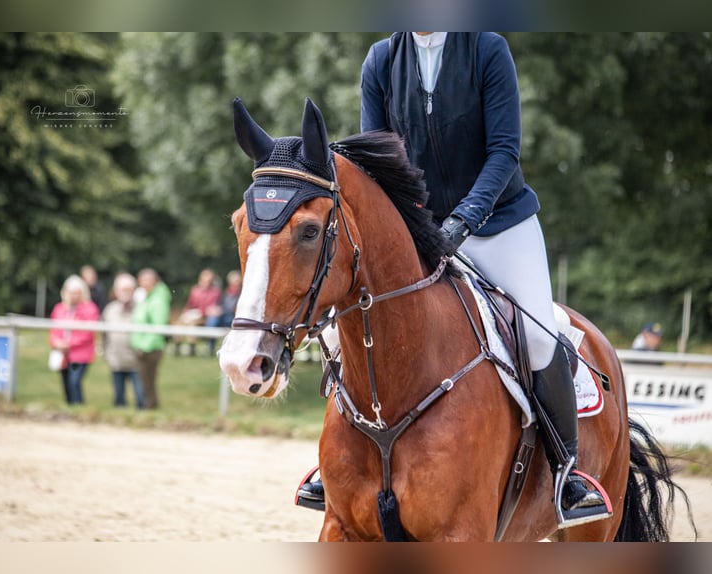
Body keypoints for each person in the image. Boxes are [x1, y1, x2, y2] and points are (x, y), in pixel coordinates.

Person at [297, 33, 607, 521]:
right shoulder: (381, 60)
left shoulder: (486, 49)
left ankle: (567, 473)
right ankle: (338, 465)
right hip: (419, 229)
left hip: (499, 223)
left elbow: (504, 152)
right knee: (344, 331)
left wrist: (463, 221)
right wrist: (412, 228)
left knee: (538, 335)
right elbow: (374, 162)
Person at [49, 274, 100, 405]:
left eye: (77, 293)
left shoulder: (89, 308)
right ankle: (70, 407)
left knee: (74, 382)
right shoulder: (59, 308)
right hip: (62, 353)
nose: (73, 296)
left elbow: (88, 332)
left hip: (80, 354)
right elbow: (54, 330)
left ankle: (78, 407)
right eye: (71, 292)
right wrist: (56, 342)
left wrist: (69, 343)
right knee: (66, 383)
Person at [102, 273, 145, 409]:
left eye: (129, 289)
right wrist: (106, 352)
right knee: (119, 396)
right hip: (116, 359)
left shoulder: (141, 309)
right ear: (116, 291)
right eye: (122, 289)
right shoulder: (110, 310)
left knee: (141, 396)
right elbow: (104, 334)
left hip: (136, 360)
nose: (125, 293)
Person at [130, 268, 172, 409]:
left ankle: (150, 408)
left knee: (148, 383)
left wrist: (144, 347)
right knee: (145, 382)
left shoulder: (158, 299)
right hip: (143, 345)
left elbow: (158, 326)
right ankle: (147, 408)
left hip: (150, 348)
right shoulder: (148, 297)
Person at [174, 268, 222, 355]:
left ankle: (191, 348)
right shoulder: (195, 290)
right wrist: (185, 313)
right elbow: (190, 304)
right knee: (179, 323)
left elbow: (211, 308)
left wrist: (200, 313)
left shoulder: (215, 292)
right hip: (193, 313)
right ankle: (178, 346)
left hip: (204, 317)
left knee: (192, 324)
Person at [203, 270, 242, 354]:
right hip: (223, 316)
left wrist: (222, 310)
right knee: (213, 320)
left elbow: (234, 308)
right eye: (234, 281)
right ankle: (210, 346)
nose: (236, 284)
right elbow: (221, 304)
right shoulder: (225, 292)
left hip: (233, 316)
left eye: (237, 281)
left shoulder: (241, 294)